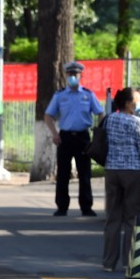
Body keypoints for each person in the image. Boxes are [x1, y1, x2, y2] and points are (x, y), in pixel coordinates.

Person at [44, 61, 105, 217]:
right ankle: (62, 206)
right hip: (65, 137)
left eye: (75, 74)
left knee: (84, 173)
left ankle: (86, 206)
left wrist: (97, 133)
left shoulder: (88, 95)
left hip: (83, 137)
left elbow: (100, 113)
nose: (72, 77)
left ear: (80, 76)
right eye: (70, 74)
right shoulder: (60, 95)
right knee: (63, 173)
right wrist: (54, 133)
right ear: (66, 76)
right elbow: (48, 115)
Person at [101, 88, 140, 271]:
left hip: (112, 170)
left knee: (112, 217)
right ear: (128, 103)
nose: (138, 103)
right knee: (131, 217)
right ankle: (129, 262)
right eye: (136, 100)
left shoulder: (109, 119)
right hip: (131, 171)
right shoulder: (137, 122)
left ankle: (108, 262)